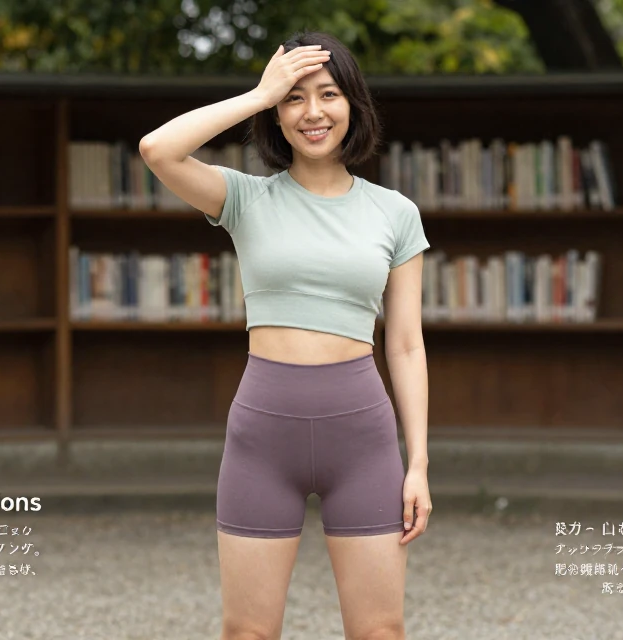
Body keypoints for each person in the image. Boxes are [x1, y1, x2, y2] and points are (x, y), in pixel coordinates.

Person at [139, 29, 431, 640]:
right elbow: (158, 149)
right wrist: (258, 92)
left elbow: (405, 344)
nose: (313, 112)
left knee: (381, 631)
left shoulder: (395, 212)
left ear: (353, 104)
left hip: (365, 441)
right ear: (277, 113)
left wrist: (419, 463)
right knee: (247, 632)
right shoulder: (246, 199)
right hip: (263, 437)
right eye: (295, 99)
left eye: (328, 94)